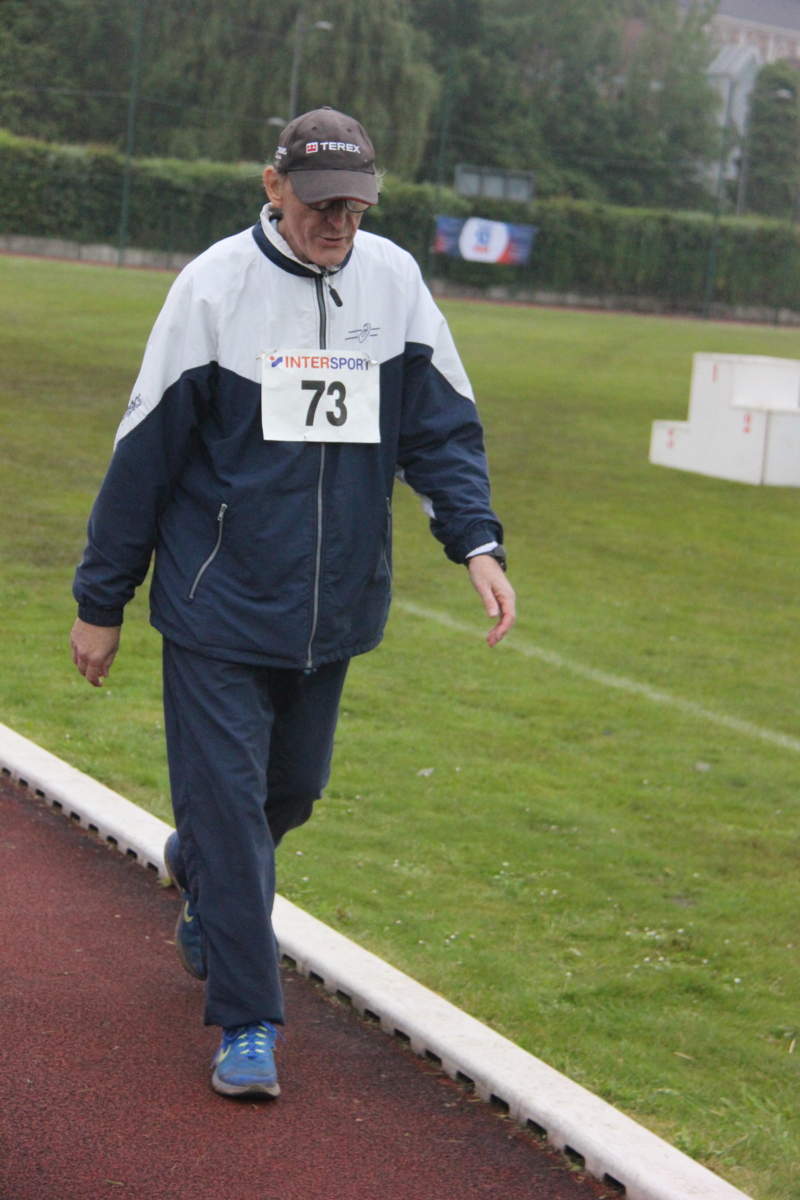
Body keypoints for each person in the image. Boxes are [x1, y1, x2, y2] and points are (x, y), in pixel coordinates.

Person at [70, 107, 515, 1098]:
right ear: (274, 188)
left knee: (291, 794)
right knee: (234, 819)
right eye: (321, 204)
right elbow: (143, 458)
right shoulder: (213, 288)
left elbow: (441, 430)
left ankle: (199, 863)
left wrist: (475, 542)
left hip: (333, 609)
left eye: (355, 206)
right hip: (216, 606)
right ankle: (247, 1022)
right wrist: (101, 601)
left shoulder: (394, 283)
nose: (339, 223)